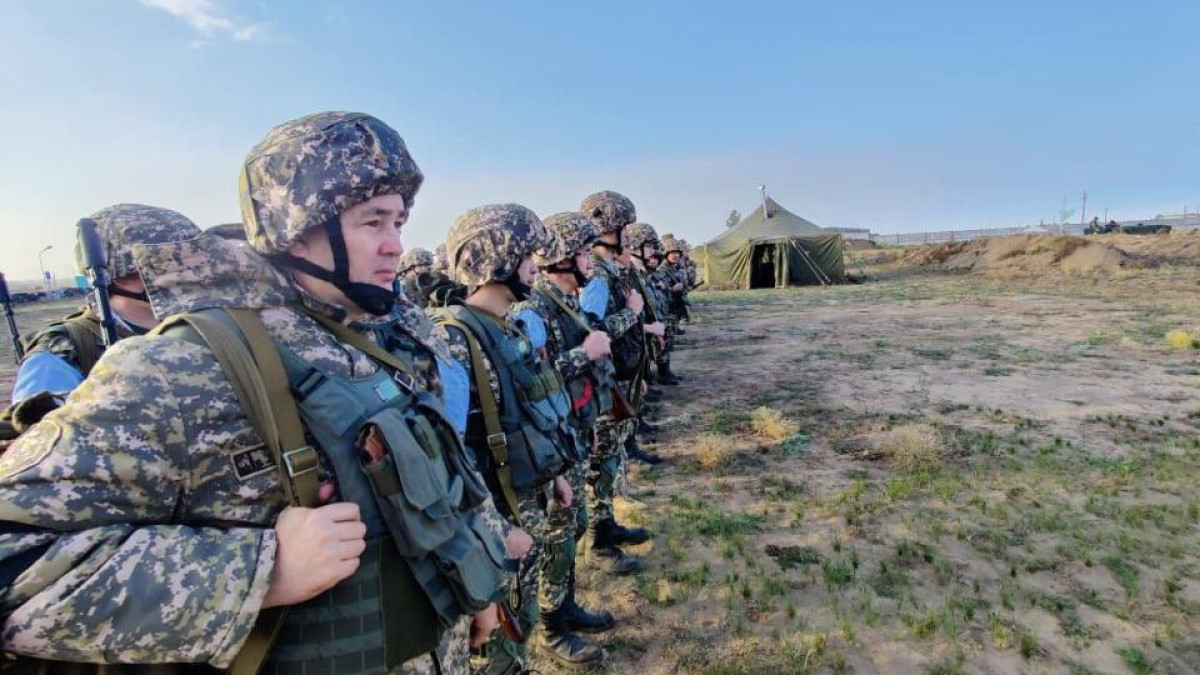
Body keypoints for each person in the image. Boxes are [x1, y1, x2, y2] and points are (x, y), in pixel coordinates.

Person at [0, 111, 529, 674]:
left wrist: (479, 583)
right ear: (298, 228)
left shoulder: (393, 336)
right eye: (373, 222)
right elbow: (16, 560)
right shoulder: (182, 365)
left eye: (399, 221)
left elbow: (443, 480)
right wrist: (261, 569)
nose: (396, 245)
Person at [432, 204, 580, 675]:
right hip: (496, 523)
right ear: (495, 260)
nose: (538, 264)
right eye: (526, 255)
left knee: (524, 617)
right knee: (498, 640)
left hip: (526, 500)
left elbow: (527, 412)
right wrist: (492, 529)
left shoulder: (508, 325)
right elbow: (446, 459)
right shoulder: (452, 341)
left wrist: (551, 475)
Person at [511, 212, 620, 667]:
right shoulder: (532, 312)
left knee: (571, 527)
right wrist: (585, 352)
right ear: (562, 259)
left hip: (573, 431)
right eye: (581, 252)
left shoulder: (567, 301)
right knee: (557, 534)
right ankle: (551, 629)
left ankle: (565, 605)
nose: (589, 260)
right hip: (553, 440)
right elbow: (527, 386)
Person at [1, 204, 201, 436]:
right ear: (117, 275)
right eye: (167, 265)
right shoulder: (62, 353)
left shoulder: (205, 326)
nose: (187, 276)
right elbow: (42, 450)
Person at [577, 191, 662, 575]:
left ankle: (606, 524)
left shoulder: (607, 269)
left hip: (617, 378)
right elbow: (589, 332)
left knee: (610, 460)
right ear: (608, 230)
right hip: (602, 384)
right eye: (623, 227)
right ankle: (598, 539)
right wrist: (631, 316)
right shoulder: (596, 275)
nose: (627, 235)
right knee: (602, 461)